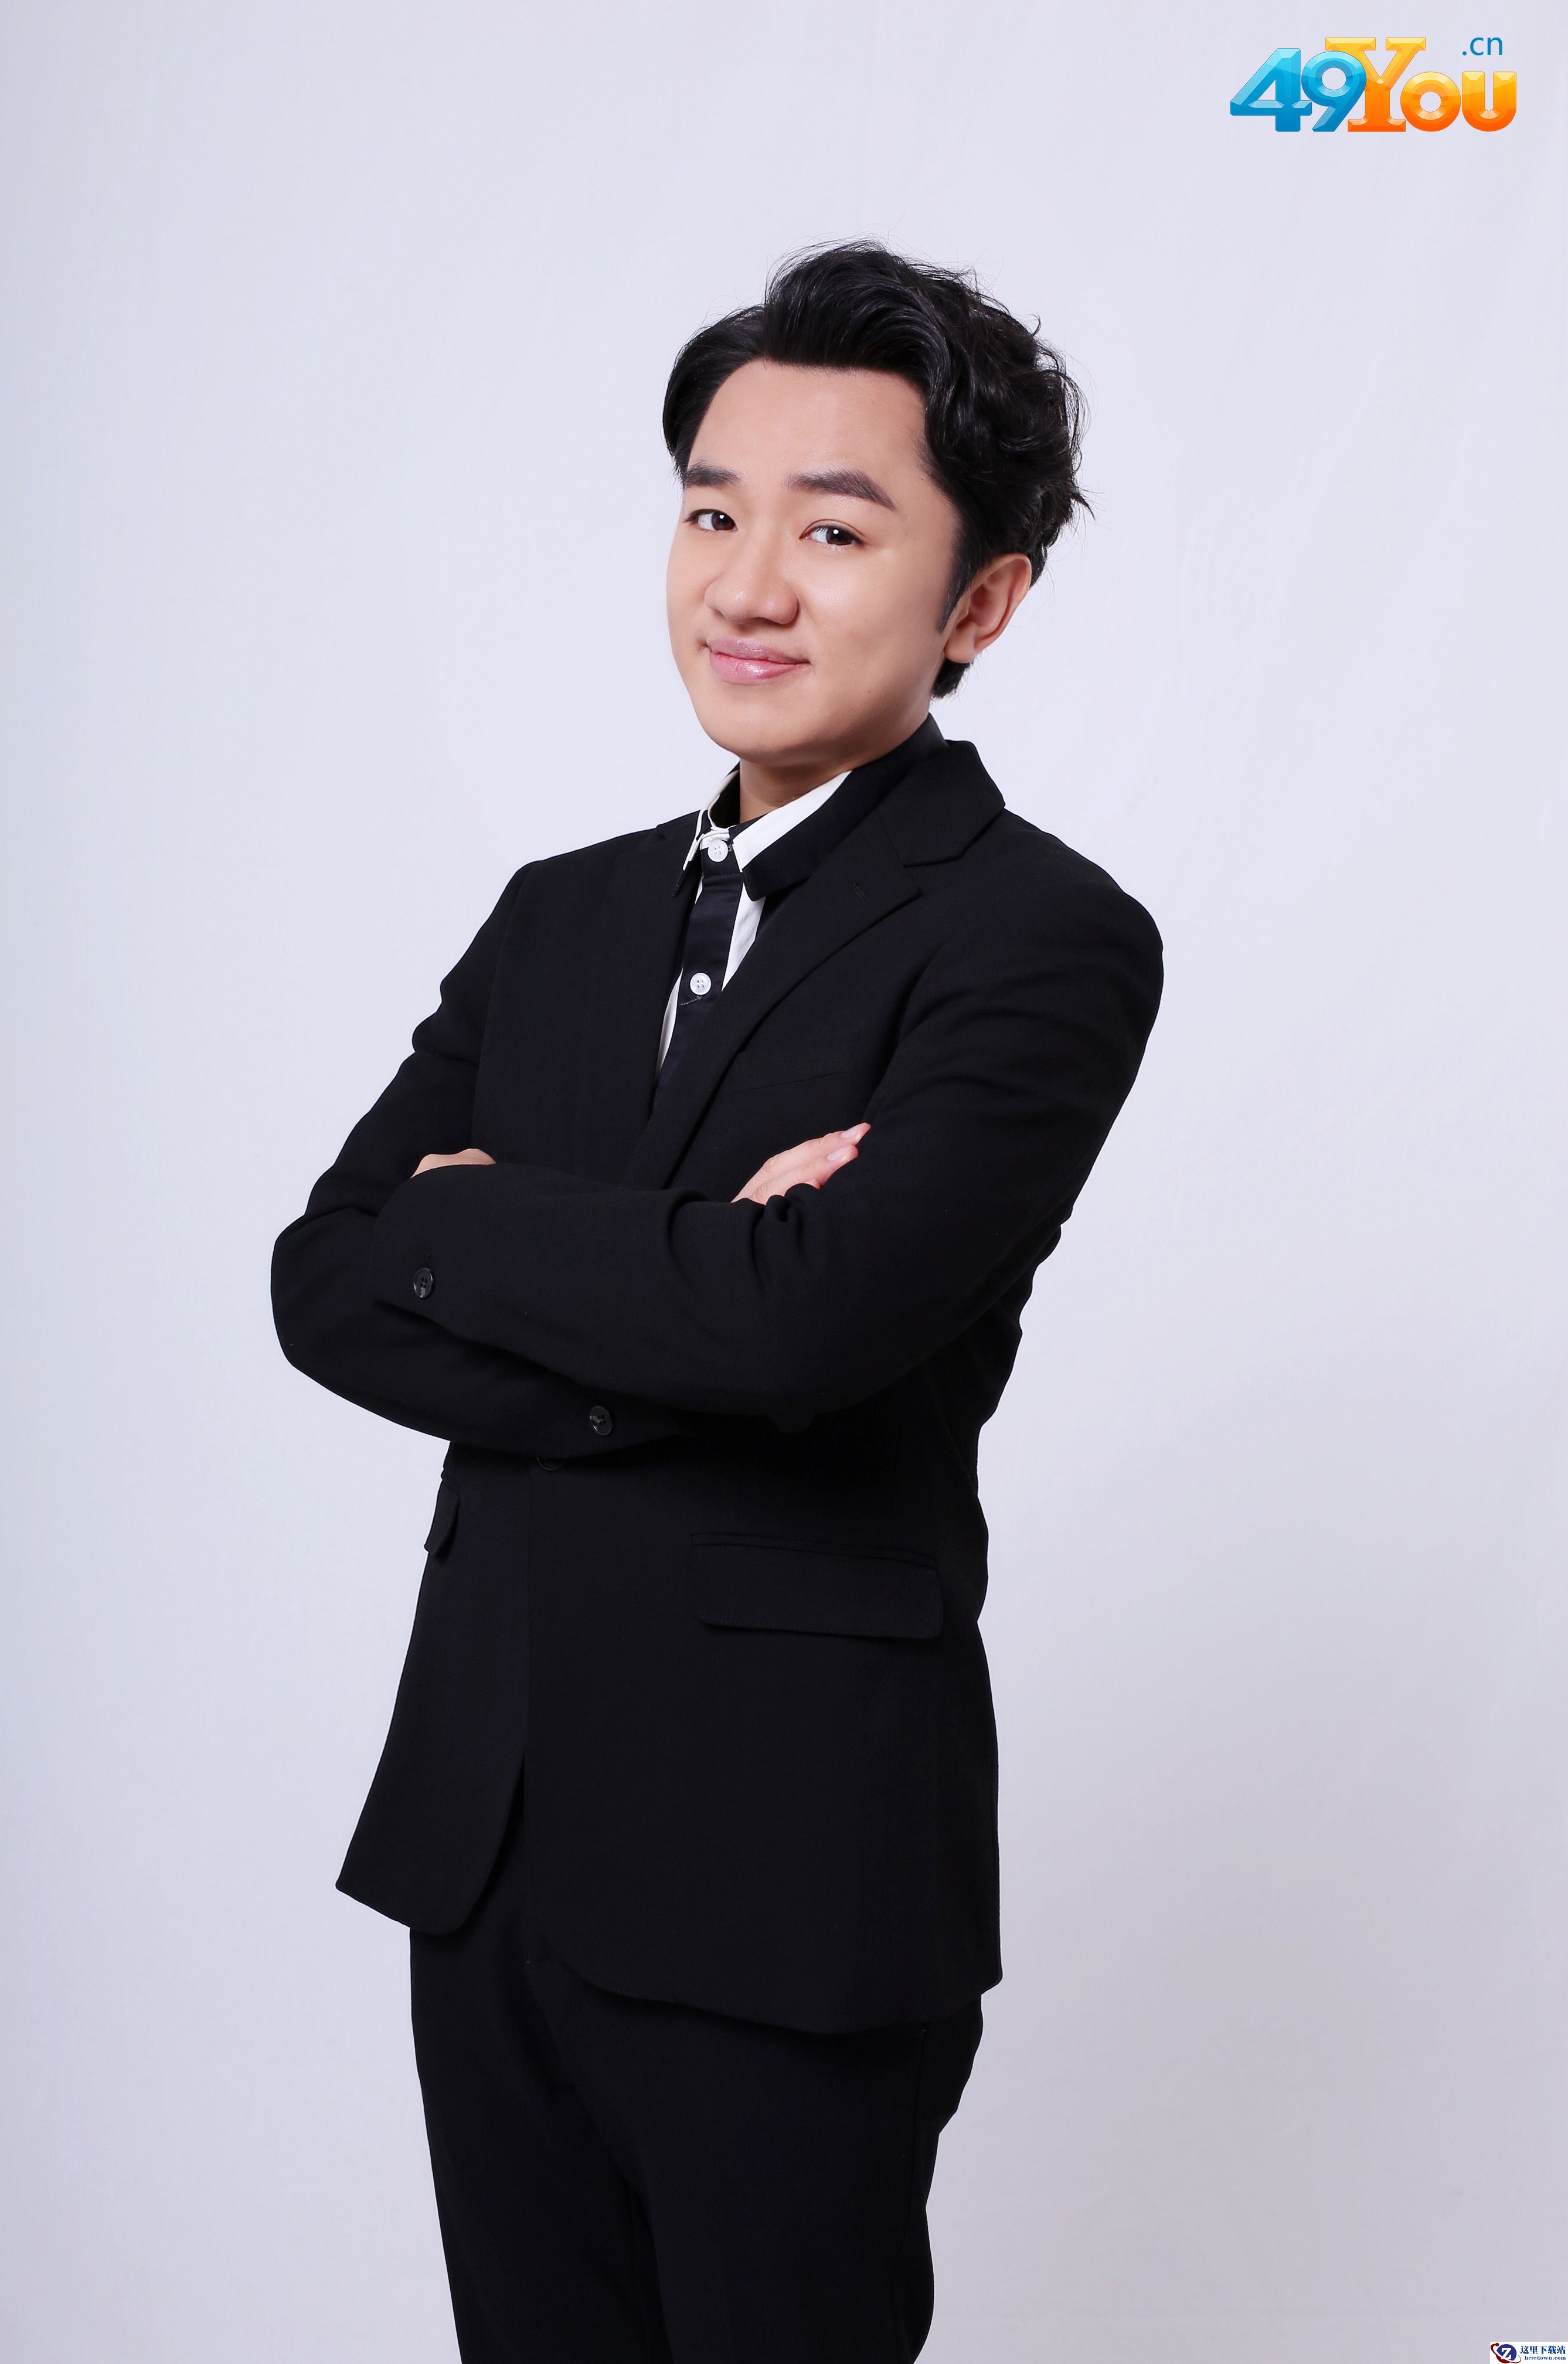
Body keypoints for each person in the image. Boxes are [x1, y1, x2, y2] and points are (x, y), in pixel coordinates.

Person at [271, 240, 1162, 2364]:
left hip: (788, 1878)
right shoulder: (560, 917)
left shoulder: (1039, 938)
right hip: (489, 1837)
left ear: (980, 603)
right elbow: (327, 1280)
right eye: (710, 513)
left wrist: (499, 1223)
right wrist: (705, 1281)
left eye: (835, 532)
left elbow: (809, 1328)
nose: (748, 585)